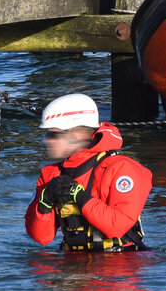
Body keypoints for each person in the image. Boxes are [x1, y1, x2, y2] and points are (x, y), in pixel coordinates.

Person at [25, 93, 151, 252]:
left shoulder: (123, 169)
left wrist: (79, 196)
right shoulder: (51, 175)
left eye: (52, 134)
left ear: (76, 134)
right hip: (72, 266)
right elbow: (41, 237)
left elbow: (116, 226)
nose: (45, 140)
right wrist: (44, 202)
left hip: (120, 265)